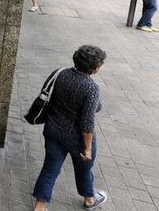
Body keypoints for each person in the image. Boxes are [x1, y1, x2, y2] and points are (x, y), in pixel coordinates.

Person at [32, 45, 108, 211]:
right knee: (83, 169)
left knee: (50, 167)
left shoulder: (61, 73)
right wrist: (87, 149)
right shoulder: (91, 87)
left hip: (53, 130)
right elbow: (87, 123)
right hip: (77, 139)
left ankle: (40, 205)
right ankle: (89, 199)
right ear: (95, 68)